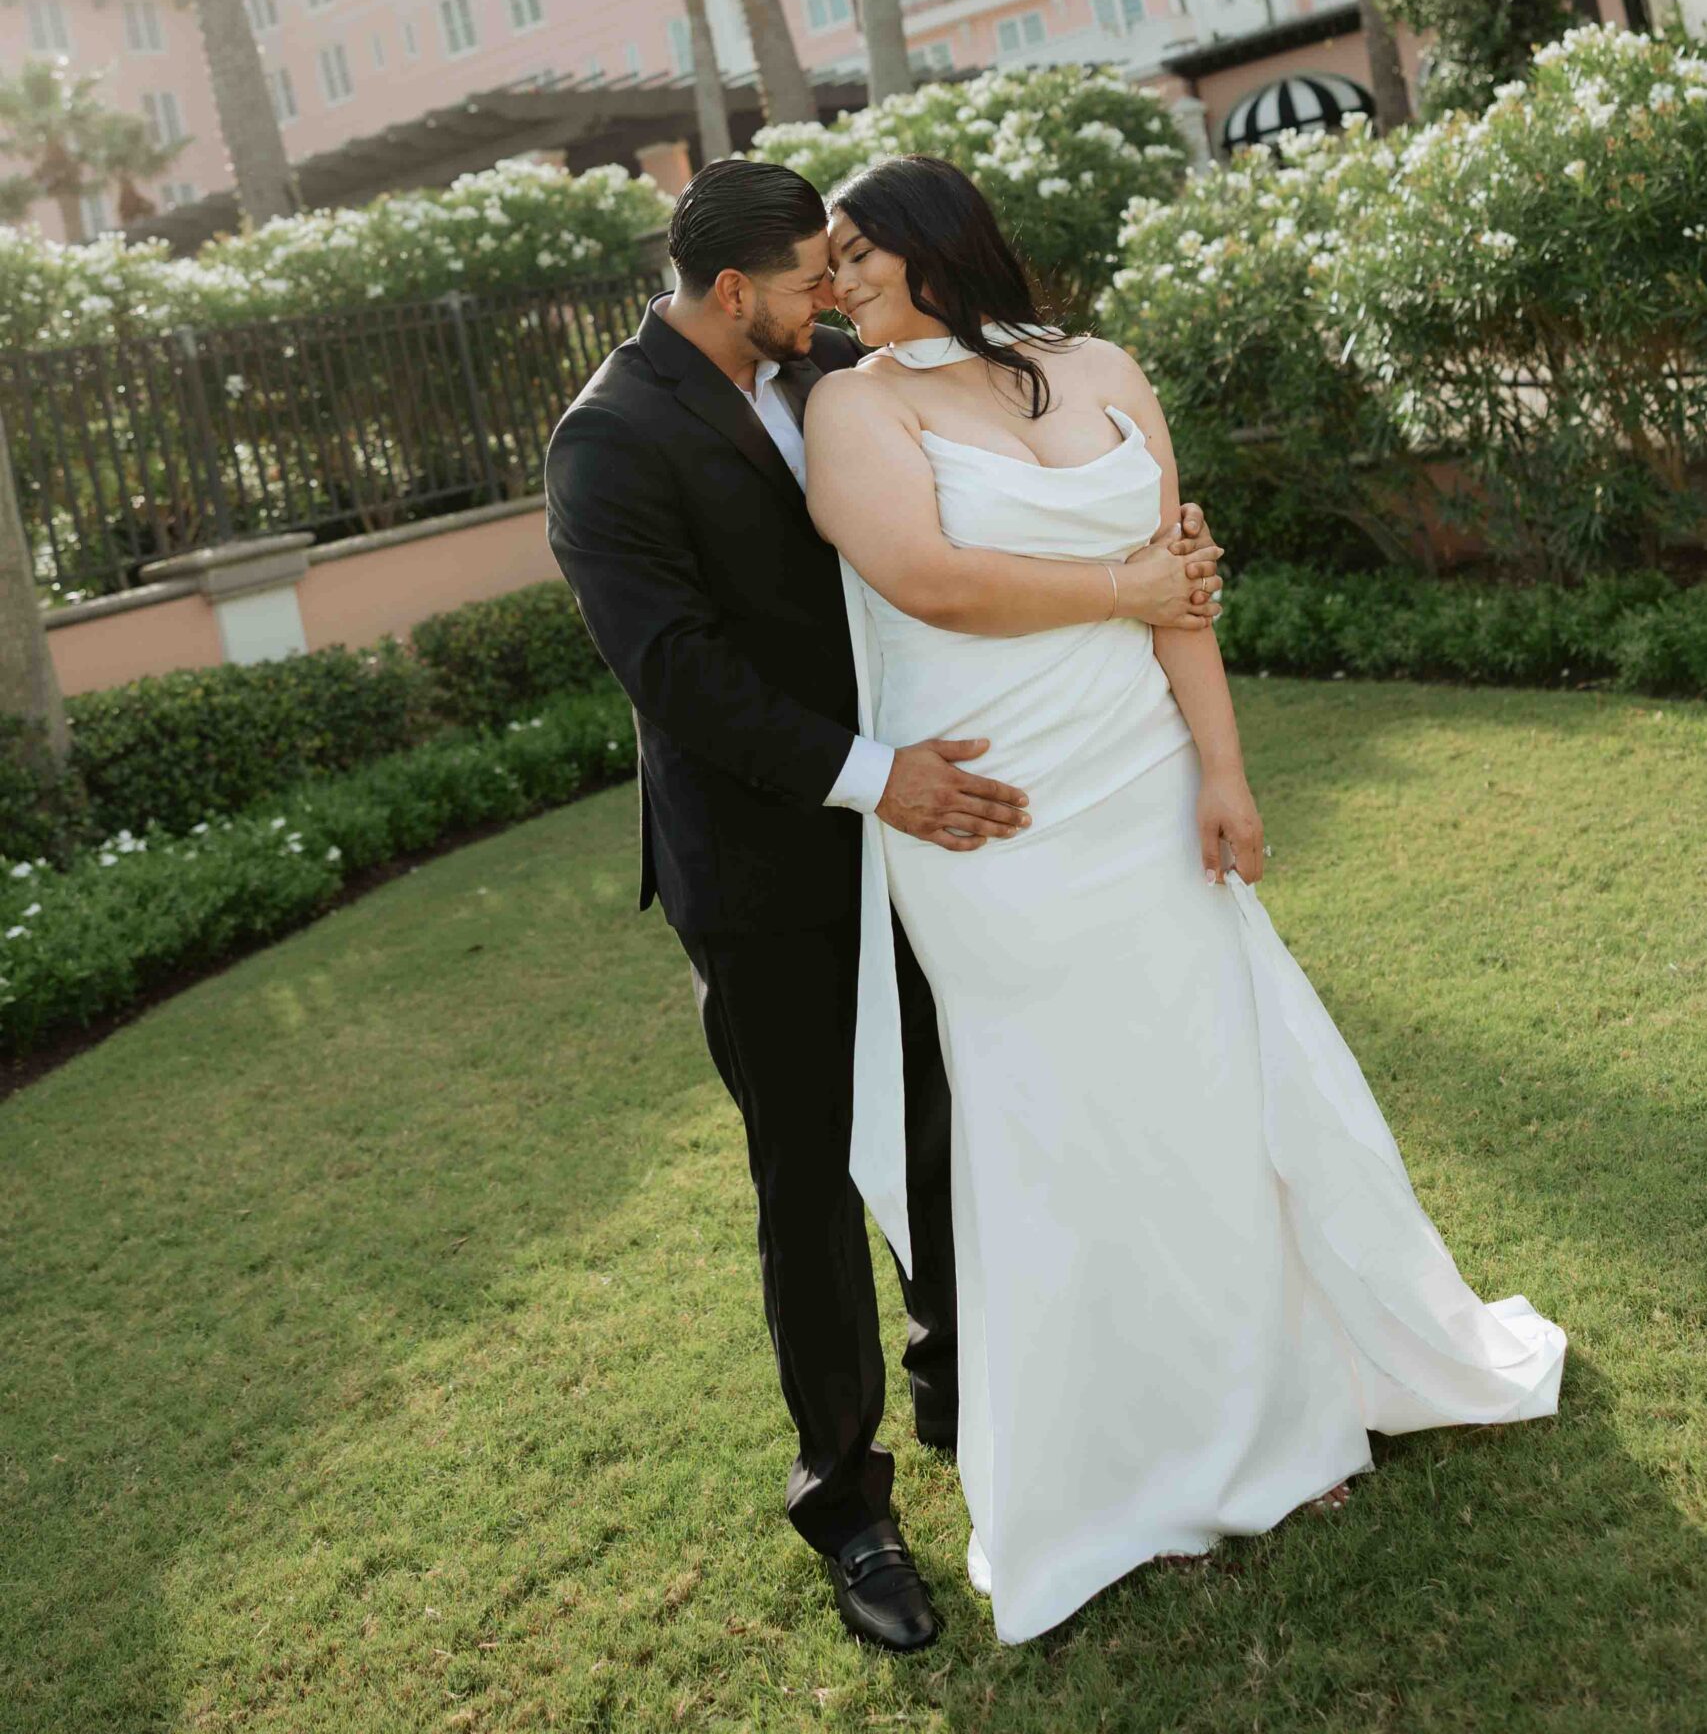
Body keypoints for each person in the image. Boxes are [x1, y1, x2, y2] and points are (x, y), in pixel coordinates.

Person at [804, 153, 1568, 1649]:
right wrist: (1126, 591)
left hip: (1143, 775)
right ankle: (1112, 1467)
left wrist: (1223, 769)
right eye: (822, 266)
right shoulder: (856, 403)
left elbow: (1181, 588)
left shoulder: (1099, 367)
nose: (834, 286)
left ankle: (1279, 1415)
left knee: (1212, 1085)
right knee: (1059, 1120)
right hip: (992, 809)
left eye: (853, 255)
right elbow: (929, 580)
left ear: (931, 243)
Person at [541, 156, 1226, 1651]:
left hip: (939, 832)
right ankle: (849, 1512)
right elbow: (676, 673)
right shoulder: (608, 440)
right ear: (735, 290)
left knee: (951, 1126)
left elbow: (966, 510)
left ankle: (976, 1404)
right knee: (810, 1183)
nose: (838, 296)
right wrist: (872, 777)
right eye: (812, 279)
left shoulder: (836, 372)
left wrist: (1156, 557)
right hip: (771, 861)